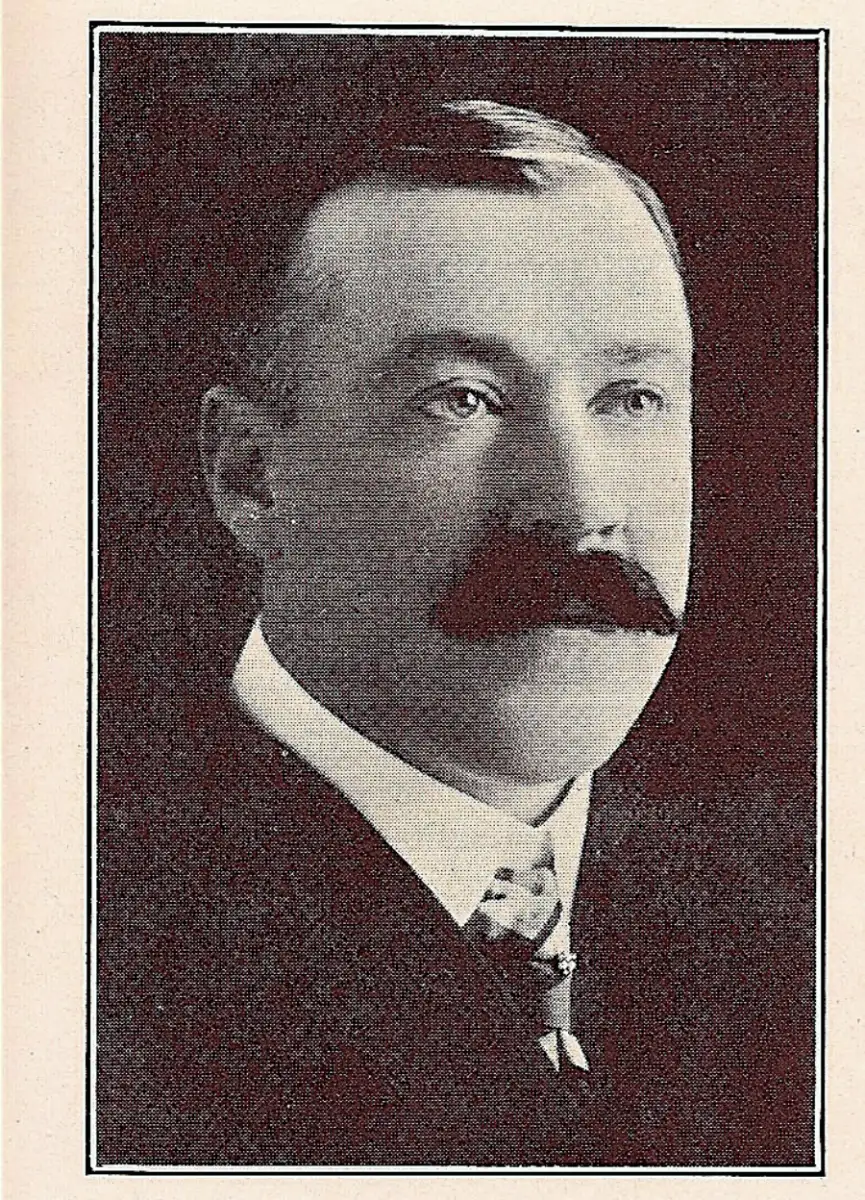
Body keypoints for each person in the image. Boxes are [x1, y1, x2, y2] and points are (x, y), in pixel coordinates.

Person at [97, 98, 814, 1167]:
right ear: (250, 475)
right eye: (462, 399)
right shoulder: (89, 935)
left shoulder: (789, 918)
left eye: (631, 399)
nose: (578, 505)